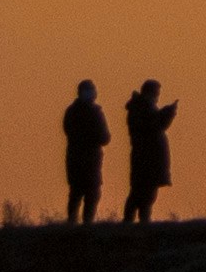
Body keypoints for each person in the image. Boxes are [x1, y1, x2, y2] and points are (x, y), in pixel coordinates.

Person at [121, 80, 178, 223]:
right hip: (145, 160)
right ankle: (134, 222)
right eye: (156, 94)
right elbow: (153, 127)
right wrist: (167, 113)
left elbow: (155, 124)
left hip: (149, 159)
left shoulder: (144, 108)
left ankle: (141, 222)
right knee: (141, 194)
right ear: (149, 93)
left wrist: (166, 113)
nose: (157, 97)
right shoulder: (141, 109)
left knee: (145, 194)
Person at [61, 81, 109, 224]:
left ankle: (76, 223)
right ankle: (84, 223)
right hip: (87, 159)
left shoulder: (71, 111)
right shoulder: (94, 112)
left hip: (80, 159)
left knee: (78, 193)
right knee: (88, 193)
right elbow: (104, 137)